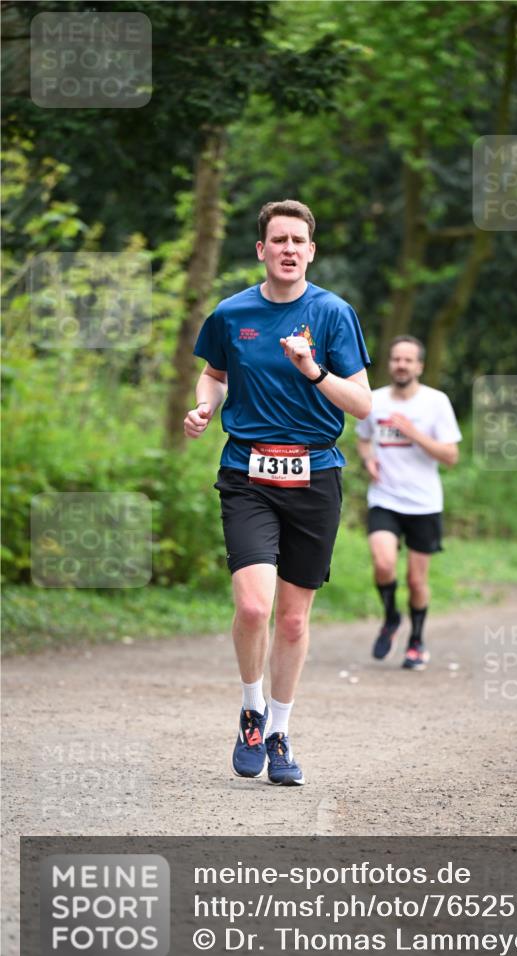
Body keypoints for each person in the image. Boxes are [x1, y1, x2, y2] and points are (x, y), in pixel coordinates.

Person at [184, 200, 371, 786]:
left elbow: (363, 404)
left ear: (311, 251)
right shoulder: (231, 313)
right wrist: (204, 407)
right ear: (261, 249)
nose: (288, 249)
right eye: (278, 239)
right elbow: (213, 374)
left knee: (291, 621)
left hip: (315, 475)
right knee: (253, 607)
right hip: (247, 473)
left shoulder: (333, 314)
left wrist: (313, 369)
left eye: (298, 240)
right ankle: (251, 710)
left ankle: (281, 733)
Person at [356, 336, 461, 670]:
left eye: (408, 360)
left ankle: (416, 640)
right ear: (390, 363)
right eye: (396, 359)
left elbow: (451, 456)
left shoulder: (436, 402)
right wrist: (368, 459)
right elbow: (363, 439)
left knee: (417, 581)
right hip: (384, 498)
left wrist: (414, 433)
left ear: (420, 366)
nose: (401, 365)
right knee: (383, 563)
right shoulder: (373, 400)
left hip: (423, 503)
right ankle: (391, 617)